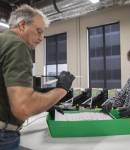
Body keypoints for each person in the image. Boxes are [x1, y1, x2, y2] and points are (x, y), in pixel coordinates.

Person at [0, 4, 75, 150]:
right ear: (22, 25)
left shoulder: (3, 40)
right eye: (38, 31)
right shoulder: (17, 45)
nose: (41, 38)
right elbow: (23, 108)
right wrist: (61, 89)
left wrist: (37, 94)